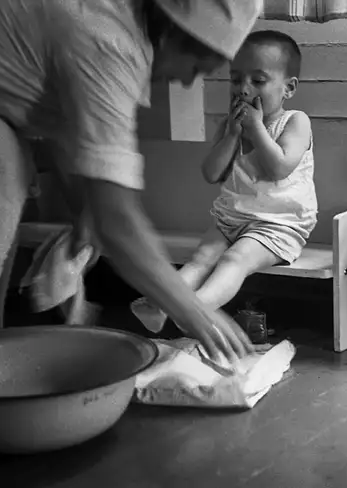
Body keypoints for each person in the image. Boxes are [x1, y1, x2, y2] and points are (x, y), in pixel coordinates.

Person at [0, 0, 263, 364]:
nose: (187, 81)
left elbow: (68, 128)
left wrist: (84, 207)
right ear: (174, 33)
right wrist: (193, 311)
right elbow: (118, 221)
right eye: (196, 67)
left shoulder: (125, 32)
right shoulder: (111, 44)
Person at [131, 30, 317, 333]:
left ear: (289, 88)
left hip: (278, 225)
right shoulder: (231, 125)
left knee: (234, 259)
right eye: (235, 79)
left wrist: (256, 129)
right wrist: (232, 135)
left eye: (258, 81)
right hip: (231, 218)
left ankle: (197, 312)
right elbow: (212, 173)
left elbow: (279, 169)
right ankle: (161, 304)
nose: (243, 89)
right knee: (201, 259)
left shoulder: (295, 122)